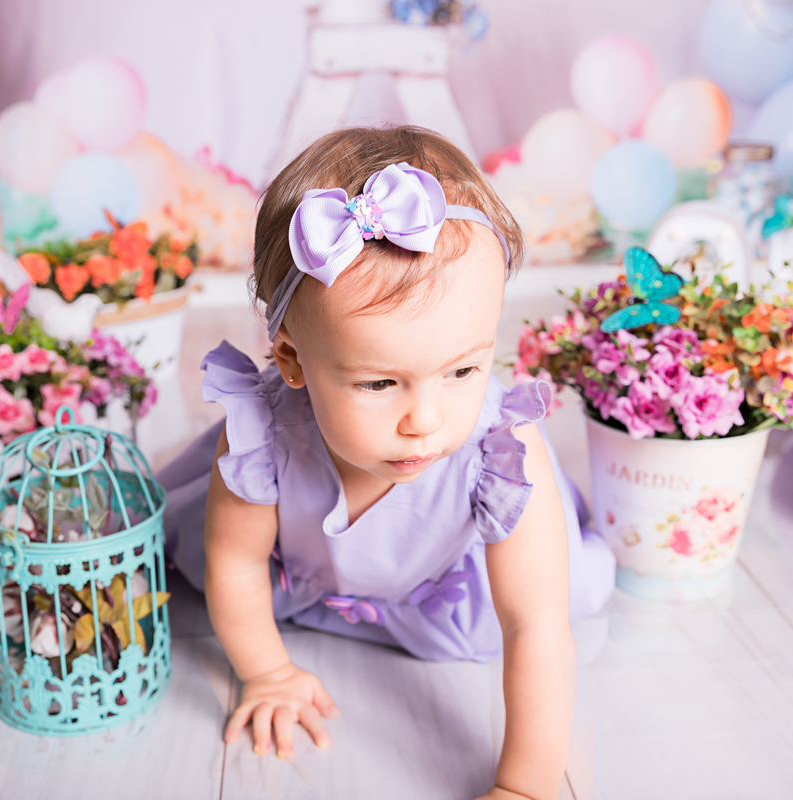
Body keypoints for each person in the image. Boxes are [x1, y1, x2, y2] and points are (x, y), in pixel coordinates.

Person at [157, 125, 614, 800]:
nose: (425, 420)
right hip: (300, 582)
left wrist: (527, 786)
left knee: (546, 596)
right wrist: (268, 672)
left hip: (445, 594)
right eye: (378, 383)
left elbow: (535, 625)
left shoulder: (499, 449)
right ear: (293, 361)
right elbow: (237, 564)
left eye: (463, 370)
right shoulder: (263, 433)